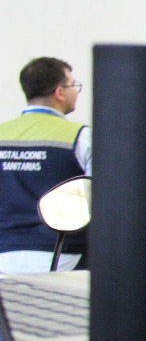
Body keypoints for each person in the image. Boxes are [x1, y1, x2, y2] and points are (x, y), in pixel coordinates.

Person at [0, 58, 91, 273]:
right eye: (74, 85)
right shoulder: (82, 137)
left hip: (4, 254)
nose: (76, 91)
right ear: (60, 92)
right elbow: (104, 199)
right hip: (64, 256)